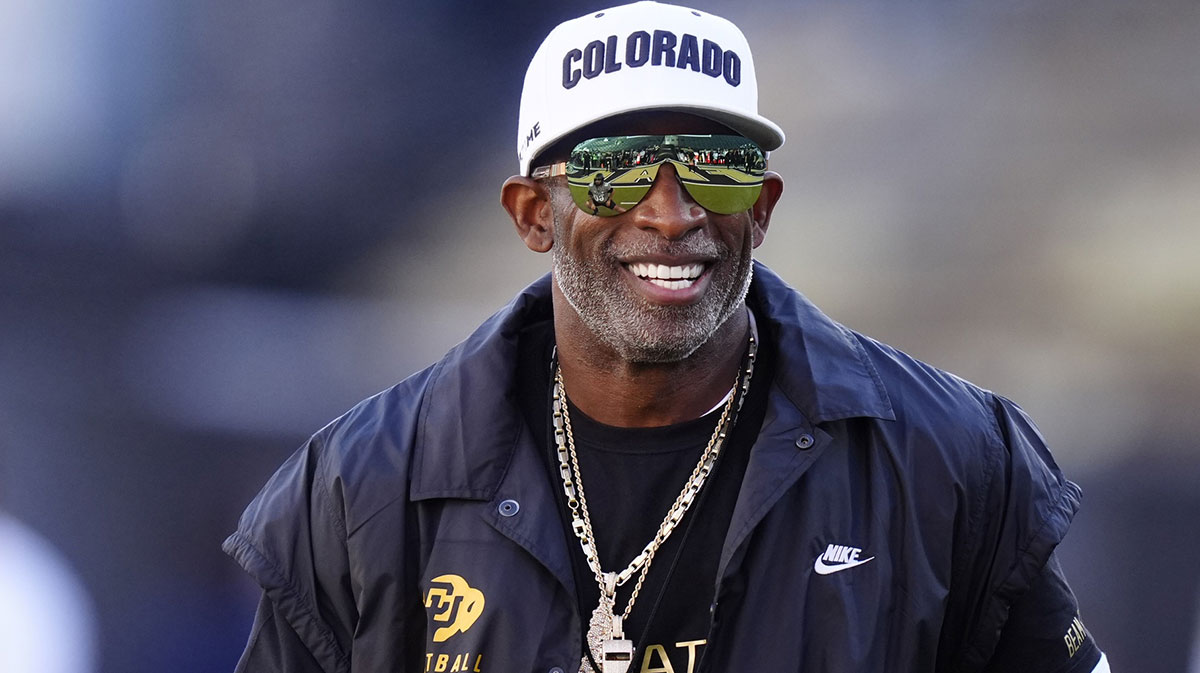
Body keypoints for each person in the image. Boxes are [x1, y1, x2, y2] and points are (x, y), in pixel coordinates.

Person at [224, 3, 1110, 672]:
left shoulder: (947, 461)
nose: (670, 212)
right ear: (534, 213)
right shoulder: (360, 491)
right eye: (615, 170)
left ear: (761, 207)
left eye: (715, 167)